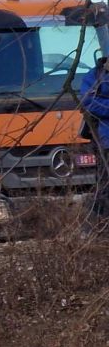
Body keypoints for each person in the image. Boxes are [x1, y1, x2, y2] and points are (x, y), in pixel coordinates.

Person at [80, 57, 109, 225]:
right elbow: (88, 102)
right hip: (106, 140)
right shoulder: (96, 75)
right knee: (105, 185)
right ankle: (102, 226)